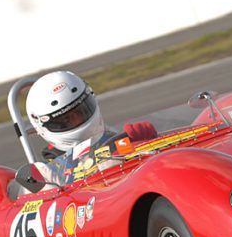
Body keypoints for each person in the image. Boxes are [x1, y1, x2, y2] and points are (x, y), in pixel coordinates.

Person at [25, 70, 157, 184]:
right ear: (42, 125)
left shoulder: (114, 139)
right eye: (66, 119)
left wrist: (142, 143)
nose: (76, 120)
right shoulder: (51, 169)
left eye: (80, 112)